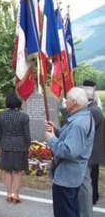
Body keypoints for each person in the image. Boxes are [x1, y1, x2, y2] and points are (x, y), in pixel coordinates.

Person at [45, 87, 94, 217]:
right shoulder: (84, 117)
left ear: (74, 101)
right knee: (72, 210)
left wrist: (52, 140)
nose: (65, 101)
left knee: (65, 212)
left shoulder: (77, 123)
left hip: (67, 177)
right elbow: (72, 139)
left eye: (67, 99)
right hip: (72, 175)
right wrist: (56, 131)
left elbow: (68, 151)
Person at [0, 92, 30, 204]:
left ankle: (8, 194)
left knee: (7, 170)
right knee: (18, 171)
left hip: (5, 144)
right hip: (20, 145)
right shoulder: (24, 116)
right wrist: (28, 146)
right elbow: (26, 134)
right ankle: (16, 195)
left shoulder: (1, 115)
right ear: (18, 103)